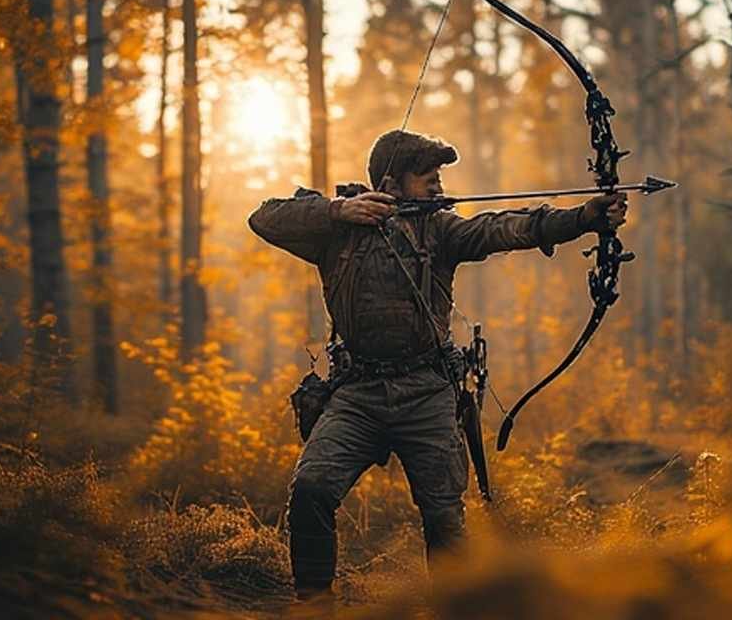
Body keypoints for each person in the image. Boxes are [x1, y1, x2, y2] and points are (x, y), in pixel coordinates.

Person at [247, 128, 627, 599]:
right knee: (311, 490)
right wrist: (338, 209)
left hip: (426, 392)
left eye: (439, 179)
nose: (439, 188)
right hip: (356, 395)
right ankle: (314, 607)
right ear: (392, 181)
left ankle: (456, 609)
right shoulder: (336, 231)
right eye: (428, 179)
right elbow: (264, 218)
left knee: (445, 517)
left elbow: (504, 227)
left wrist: (583, 218)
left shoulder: (442, 229)